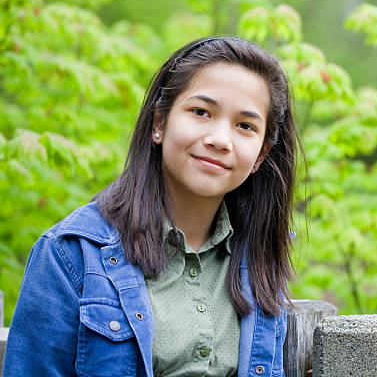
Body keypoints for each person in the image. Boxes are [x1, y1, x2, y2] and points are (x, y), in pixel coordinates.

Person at [2, 36, 298, 377]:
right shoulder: (70, 254)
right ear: (159, 123)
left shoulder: (259, 256)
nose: (220, 139)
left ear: (261, 154)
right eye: (201, 112)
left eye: (245, 126)